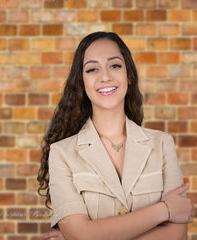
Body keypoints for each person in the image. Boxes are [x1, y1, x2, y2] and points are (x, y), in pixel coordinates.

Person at [37, 32, 194, 240]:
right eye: (92, 69)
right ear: (82, 82)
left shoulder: (162, 144)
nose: (105, 76)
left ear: (128, 75)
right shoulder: (62, 153)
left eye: (115, 65)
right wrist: (163, 210)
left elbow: (176, 235)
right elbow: (79, 235)